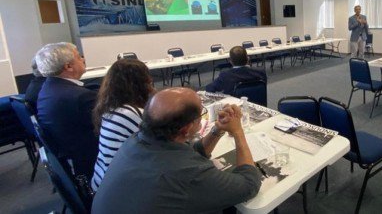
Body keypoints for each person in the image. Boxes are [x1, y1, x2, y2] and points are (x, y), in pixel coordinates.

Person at [91, 88, 261, 213]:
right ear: (186, 129)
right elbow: (249, 184)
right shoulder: (188, 173)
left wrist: (217, 130)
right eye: (201, 114)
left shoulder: (136, 141)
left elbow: (192, 153)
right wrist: (238, 131)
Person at [35, 42, 98, 179]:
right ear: (68, 66)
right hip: (92, 160)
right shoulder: (79, 97)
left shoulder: (48, 89)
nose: (83, 59)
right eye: (78, 57)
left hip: (72, 154)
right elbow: (110, 123)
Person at [90, 59, 155, 192]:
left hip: (103, 180)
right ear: (141, 84)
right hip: (117, 189)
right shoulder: (130, 113)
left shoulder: (111, 107)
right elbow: (162, 146)